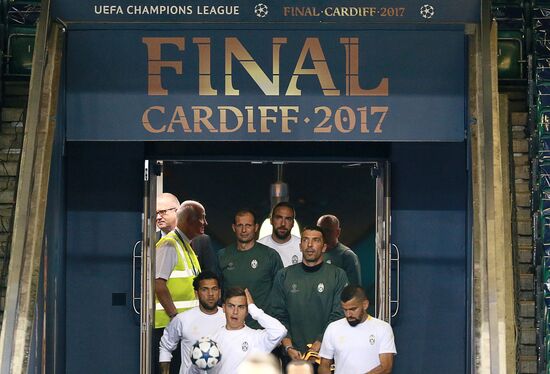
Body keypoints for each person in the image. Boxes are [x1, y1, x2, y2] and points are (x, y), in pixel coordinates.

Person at [270, 226, 348, 365]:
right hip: (293, 356)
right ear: (300, 246)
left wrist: (319, 344)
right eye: (305, 240)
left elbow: (339, 314)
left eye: (316, 240)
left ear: (324, 247)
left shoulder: (337, 275)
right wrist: (288, 347)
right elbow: (277, 315)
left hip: (327, 354)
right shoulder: (284, 275)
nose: (310, 245)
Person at [154, 200, 206, 374]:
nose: (205, 223)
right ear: (190, 221)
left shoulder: (187, 246)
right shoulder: (169, 245)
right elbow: (158, 284)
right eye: (202, 218)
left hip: (185, 328)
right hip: (169, 327)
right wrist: (175, 318)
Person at [194, 288, 287, 374]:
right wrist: (197, 363)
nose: (235, 311)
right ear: (224, 308)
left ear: (247, 311)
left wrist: (254, 310)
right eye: (231, 306)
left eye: (241, 307)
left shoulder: (256, 338)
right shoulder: (211, 341)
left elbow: (280, 331)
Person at [218, 209, 284, 327]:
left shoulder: (270, 255)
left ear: (256, 227)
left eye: (248, 225)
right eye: (240, 225)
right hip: (231, 329)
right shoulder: (222, 255)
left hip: (261, 329)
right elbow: (217, 292)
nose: (244, 230)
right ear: (234, 227)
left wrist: (277, 325)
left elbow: (281, 294)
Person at [319, 285, 396, 374]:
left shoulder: (383, 328)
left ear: (365, 305)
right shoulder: (333, 328)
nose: (348, 314)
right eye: (345, 310)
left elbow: (386, 367)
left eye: (353, 309)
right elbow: (323, 366)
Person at [159, 271, 226, 374]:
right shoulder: (183, 319)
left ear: (220, 292)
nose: (210, 294)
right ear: (196, 293)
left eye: (214, 289)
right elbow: (165, 346)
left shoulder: (229, 318)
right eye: (205, 289)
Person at [317, 215, 362, 286]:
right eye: (320, 230)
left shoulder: (347, 256)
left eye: (327, 230)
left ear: (338, 232)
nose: (323, 234)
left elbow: (355, 290)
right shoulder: (313, 254)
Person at [258, 202, 302, 267]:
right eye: (278, 218)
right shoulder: (259, 246)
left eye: (288, 219)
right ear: (271, 220)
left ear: (293, 223)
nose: (283, 224)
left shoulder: (302, 246)